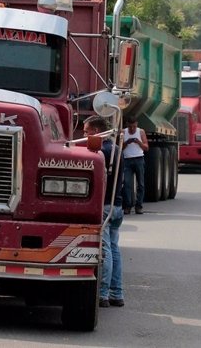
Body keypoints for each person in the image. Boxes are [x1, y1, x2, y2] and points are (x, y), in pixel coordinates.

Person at [83, 116, 125, 308]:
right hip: (117, 206)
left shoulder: (101, 152)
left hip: (105, 206)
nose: (84, 135)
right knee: (114, 250)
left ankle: (103, 294)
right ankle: (118, 293)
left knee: (105, 252)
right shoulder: (117, 150)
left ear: (97, 131)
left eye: (87, 131)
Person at [122, 116, 148, 215]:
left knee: (140, 184)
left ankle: (139, 206)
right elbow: (118, 147)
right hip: (127, 160)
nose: (132, 129)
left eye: (134, 126)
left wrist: (138, 142)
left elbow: (146, 148)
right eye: (130, 127)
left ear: (136, 124)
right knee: (127, 184)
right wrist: (127, 143)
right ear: (127, 125)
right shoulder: (123, 132)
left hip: (139, 159)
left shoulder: (140, 132)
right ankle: (127, 206)